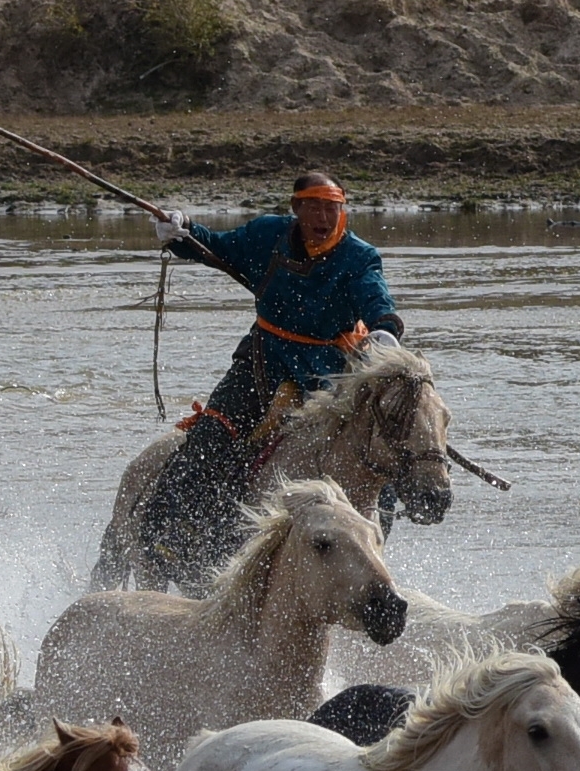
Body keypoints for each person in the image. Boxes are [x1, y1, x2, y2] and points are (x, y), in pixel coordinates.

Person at [134, 171, 405, 588]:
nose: (324, 216)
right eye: (314, 206)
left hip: (329, 372)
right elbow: (217, 247)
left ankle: (373, 548)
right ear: (296, 209)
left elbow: (377, 300)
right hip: (262, 361)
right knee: (209, 438)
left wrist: (384, 332)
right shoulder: (267, 235)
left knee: (379, 457)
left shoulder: (359, 257)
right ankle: (168, 528)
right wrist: (181, 232)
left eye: (332, 208)